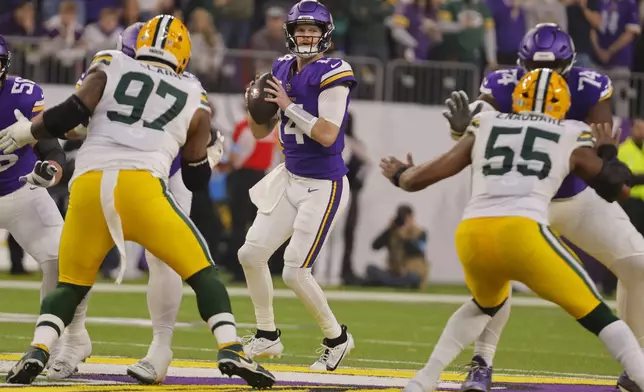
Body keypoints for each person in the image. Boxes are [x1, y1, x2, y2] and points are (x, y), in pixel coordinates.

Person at [0, 14, 274, 388]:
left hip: (92, 182)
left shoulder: (109, 65)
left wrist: (26, 130)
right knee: (200, 269)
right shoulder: (193, 90)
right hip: (145, 181)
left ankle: (41, 348)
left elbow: (72, 116)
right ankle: (229, 346)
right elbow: (197, 177)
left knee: (72, 280)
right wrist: (208, 155)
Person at [384, 68, 644, 392]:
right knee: (599, 316)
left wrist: (400, 174)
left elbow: (418, 179)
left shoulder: (485, 123)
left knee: (484, 304)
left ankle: (424, 378)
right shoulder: (571, 131)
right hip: (522, 232)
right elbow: (615, 189)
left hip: (473, 235)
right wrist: (606, 152)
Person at [444, 23, 644, 392]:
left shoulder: (590, 87)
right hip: (518, 201)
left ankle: (637, 365)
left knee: (637, 263)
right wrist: (462, 126)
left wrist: (608, 156)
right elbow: (473, 121)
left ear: (570, 67)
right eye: (534, 68)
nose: (542, 78)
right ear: (520, 64)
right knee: (496, 275)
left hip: (575, 197)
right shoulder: (501, 84)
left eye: (552, 70)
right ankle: (481, 362)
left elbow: (602, 150)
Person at [47, 22, 224, 385]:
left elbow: (200, 142)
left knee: (167, 259)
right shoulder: (110, 67)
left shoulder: (185, 86)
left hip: (164, 170)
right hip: (110, 166)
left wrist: (208, 154)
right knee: (78, 256)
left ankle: (161, 347)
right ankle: (72, 341)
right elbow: (70, 122)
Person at [239, 0, 356, 371]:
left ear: (325, 35)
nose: (307, 35)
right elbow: (260, 130)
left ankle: (337, 339)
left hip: (324, 185)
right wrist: (254, 107)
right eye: (301, 29)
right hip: (289, 177)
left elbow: (326, 133)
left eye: (314, 30)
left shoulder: (334, 70)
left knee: (294, 271)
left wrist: (288, 105)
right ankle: (267, 334)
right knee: (250, 254)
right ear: (290, 33)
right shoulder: (281, 67)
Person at [0, 34, 91, 361]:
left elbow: (50, 147)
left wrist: (50, 170)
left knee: (63, 259)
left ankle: (67, 339)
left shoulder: (22, 96)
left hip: (22, 189)